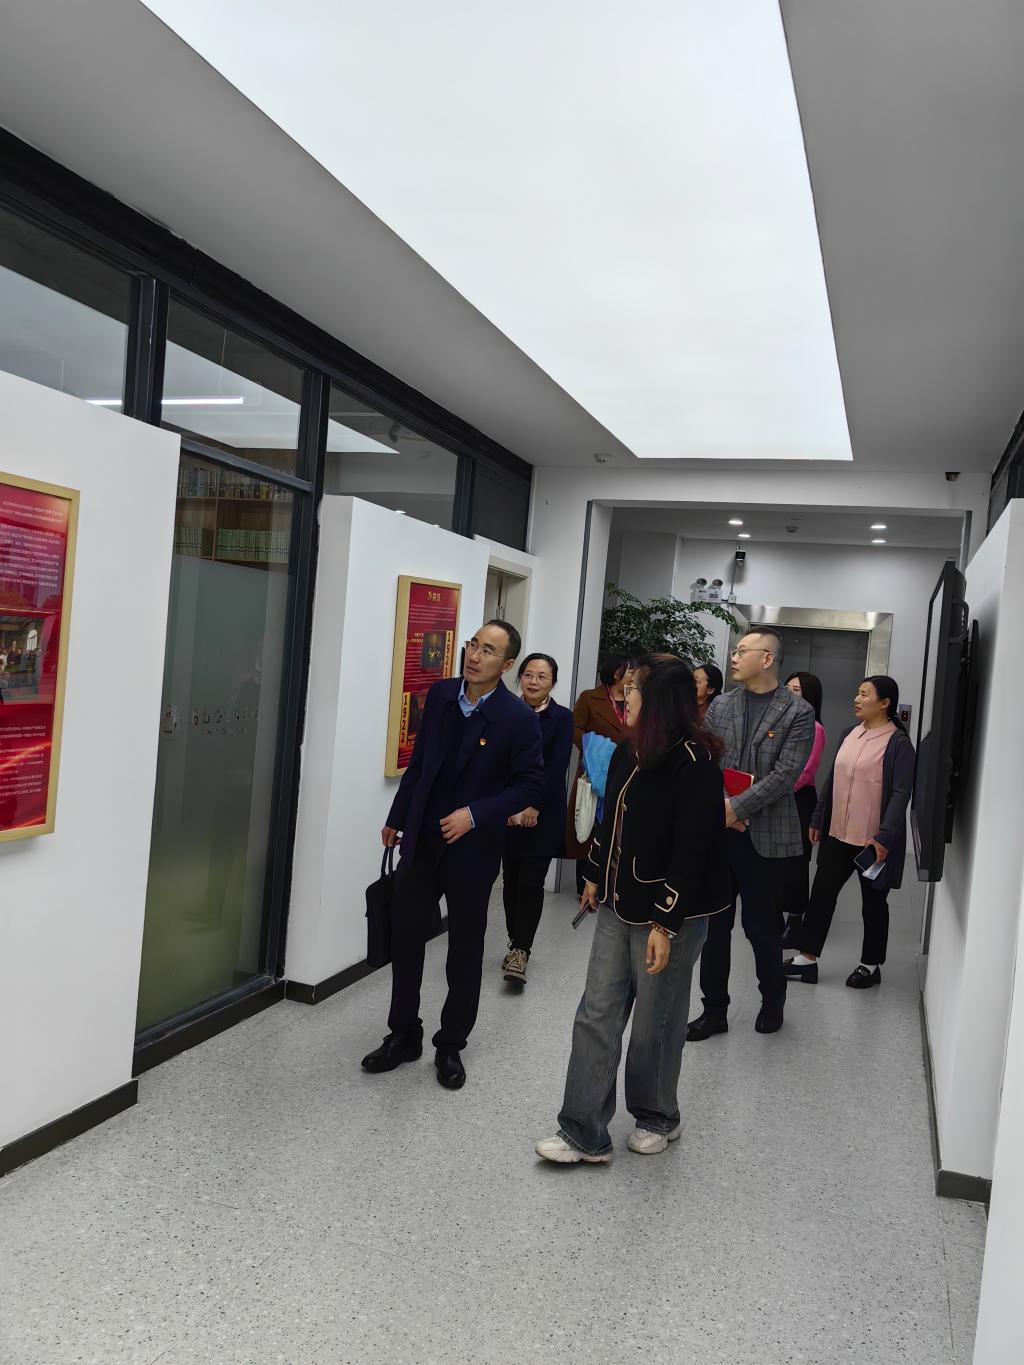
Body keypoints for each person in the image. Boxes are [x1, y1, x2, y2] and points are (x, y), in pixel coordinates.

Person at [535, 660, 731, 1164]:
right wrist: (594, 875)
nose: (623, 700)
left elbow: (693, 851)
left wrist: (666, 921)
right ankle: (582, 1131)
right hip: (618, 904)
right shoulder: (629, 749)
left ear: (659, 701)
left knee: (653, 1024)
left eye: (632, 691)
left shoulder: (695, 763)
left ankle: (658, 1115)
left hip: (671, 915)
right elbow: (611, 821)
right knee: (596, 1013)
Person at [362, 620, 545, 1090]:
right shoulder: (442, 695)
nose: (474, 656)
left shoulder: (517, 718)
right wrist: (397, 817)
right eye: (472, 645)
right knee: (406, 938)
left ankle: (450, 1044)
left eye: (488, 650)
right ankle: (404, 1034)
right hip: (422, 840)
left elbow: (530, 785)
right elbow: (420, 763)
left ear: (507, 664)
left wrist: (475, 815)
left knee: (464, 949)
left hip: (473, 850)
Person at [686, 628, 815, 1039]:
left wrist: (734, 809)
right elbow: (705, 760)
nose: (734, 656)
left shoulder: (798, 712)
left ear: (767, 659)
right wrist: (721, 808)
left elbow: (785, 776)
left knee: (761, 929)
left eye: (743, 650)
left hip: (767, 837)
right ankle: (714, 1010)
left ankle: (772, 999)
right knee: (715, 927)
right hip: (721, 835)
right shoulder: (722, 704)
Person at [785, 676, 915, 988]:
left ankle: (870, 964)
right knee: (821, 895)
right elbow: (832, 779)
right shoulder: (849, 733)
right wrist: (818, 817)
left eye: (865, 694)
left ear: (884, 703)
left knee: (873, 903)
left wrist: (885, 836)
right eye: (857, 692)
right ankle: (807, 959)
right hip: (837, 834)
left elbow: (901, 793)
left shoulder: (898, 743)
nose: (857, 699)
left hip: (872, 842)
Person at [501, 653, 574, 984]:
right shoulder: (506, 712)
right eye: (528, 674)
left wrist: (533, 806)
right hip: (507, 812)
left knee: (532, 881)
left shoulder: (562, 718)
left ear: (552, 683)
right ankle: (514, 940)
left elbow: (556, 767)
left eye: (542, 676)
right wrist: (507, 806)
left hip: (543, 812)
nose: (533, 681)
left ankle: (521, 949)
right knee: (511, 879)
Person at [565, 650, 636, 892]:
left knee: (618, 825)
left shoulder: (637, 700)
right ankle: (584, 883)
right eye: (630, 670)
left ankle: (611, 883)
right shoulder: (589, 698)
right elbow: (575, 728)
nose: (634, 675)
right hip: (594, 773)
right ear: (616, 673)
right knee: (589, 823)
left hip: (626, 773)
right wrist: (597, 748)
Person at [781, 671, 826, 948]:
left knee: (796, 862)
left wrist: (774, 790)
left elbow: (805, 770)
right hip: (776, 797)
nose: (788, 693)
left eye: (795, 689)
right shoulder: (779, 722)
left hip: (798, 800)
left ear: (809, 696)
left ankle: (795, 920)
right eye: (786, 688)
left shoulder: (815, 728)